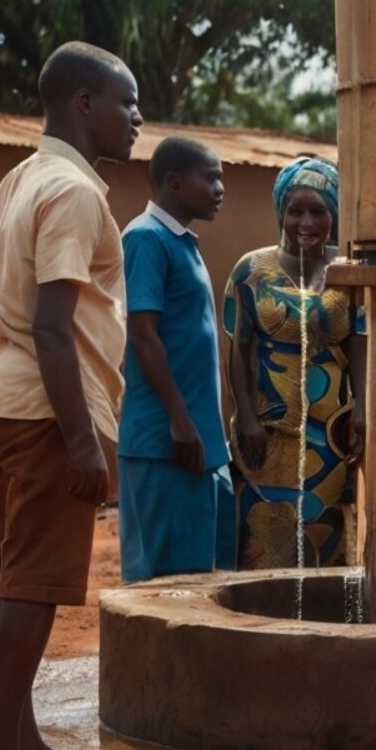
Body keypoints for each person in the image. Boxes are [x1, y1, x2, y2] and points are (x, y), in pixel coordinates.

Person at [0, 40, 141, 750]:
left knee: (11, 573)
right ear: (83, 104)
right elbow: (52, 326)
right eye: (126, 102)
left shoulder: (23, 178)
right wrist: (81, 442)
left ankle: (18, 737)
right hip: (45, 409)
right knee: (33, 582)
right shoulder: (72, 193)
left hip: (3, 398)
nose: (137, 118)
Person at [225, 158, 366, 568]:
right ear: (280, 214)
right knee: (263, 540)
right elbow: (238, 349)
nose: (306, 222)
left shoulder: (349, 274)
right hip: (268, 431)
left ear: (333, 216)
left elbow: (359, 342)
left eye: (318, 211)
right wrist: (245, 415)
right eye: (296, 211)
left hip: (332, 435)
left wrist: (362, 407)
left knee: (327, 535)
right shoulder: (251, 272)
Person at [117, 137, 237, 583]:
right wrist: (179, 420)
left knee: (196, 574)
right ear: (174, 182)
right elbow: (143, 335)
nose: (220, 188)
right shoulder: (146, 238)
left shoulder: (182, 241)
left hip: (195, 441)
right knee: (162, 583)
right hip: (164, 441)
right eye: (211, 178)